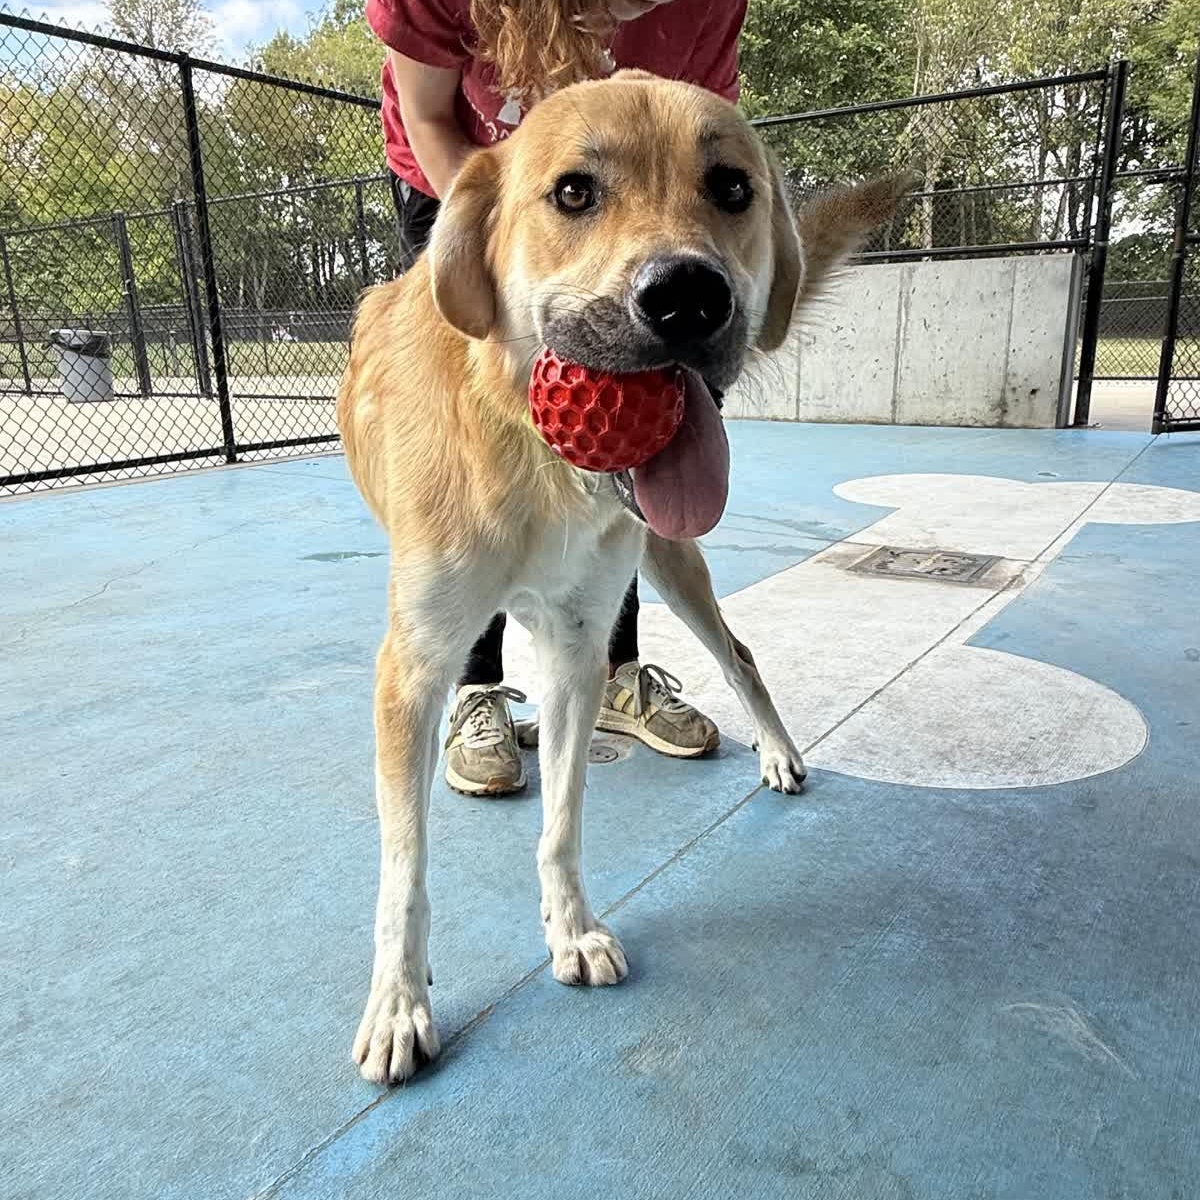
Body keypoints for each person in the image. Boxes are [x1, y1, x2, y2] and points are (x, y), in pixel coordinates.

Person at [367, 0, 745, 796]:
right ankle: (476, 687)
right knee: (470, 458)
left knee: (622, 453)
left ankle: (613, 669)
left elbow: (699, 147)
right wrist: (512, 236)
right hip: (469, 183)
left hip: (642, 219)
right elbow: (429, 117)